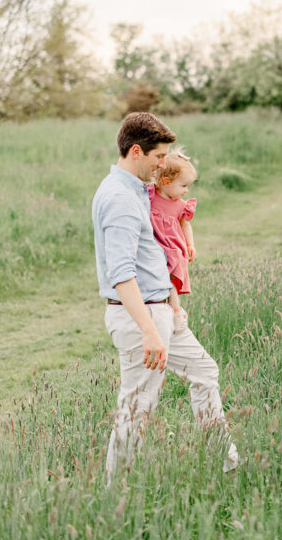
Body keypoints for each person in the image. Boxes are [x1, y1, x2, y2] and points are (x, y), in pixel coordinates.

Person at [91, 112, 238, 484]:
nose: (162, 166)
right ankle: (117, 491)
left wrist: (173, 302)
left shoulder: (138, 190)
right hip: (141, 317)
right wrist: (149, 331)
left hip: (162, 312)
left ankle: (225, 463)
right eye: (158, 157)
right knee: (138, 406)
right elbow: (121, 274)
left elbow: (153, 252)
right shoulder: (120, 199)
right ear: (137, 151)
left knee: (205, 372)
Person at [147, 148, 198, 333]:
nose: (186, 190)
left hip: (172, 246)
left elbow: (185, 226)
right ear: (166, 182)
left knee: (171, 275)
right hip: (154, 244)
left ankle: (176, 310)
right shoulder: (151, 195)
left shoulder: (181, 206)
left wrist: (190, 244)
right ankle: (169, 307)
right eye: (183, 186)